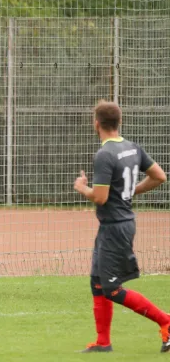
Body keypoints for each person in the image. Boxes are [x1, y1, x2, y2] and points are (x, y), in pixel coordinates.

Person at [73, 100, 169, 353]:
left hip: (115, 227)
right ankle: (103, 342)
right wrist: (129, 191)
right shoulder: (132, 147)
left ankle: (166, 321)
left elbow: (101, 197)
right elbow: (160, 176)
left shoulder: (104, 154)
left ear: (97, 123)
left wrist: (83, 188)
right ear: (120, 122)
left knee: (112, 290)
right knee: (97, 281)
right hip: (117, 225)